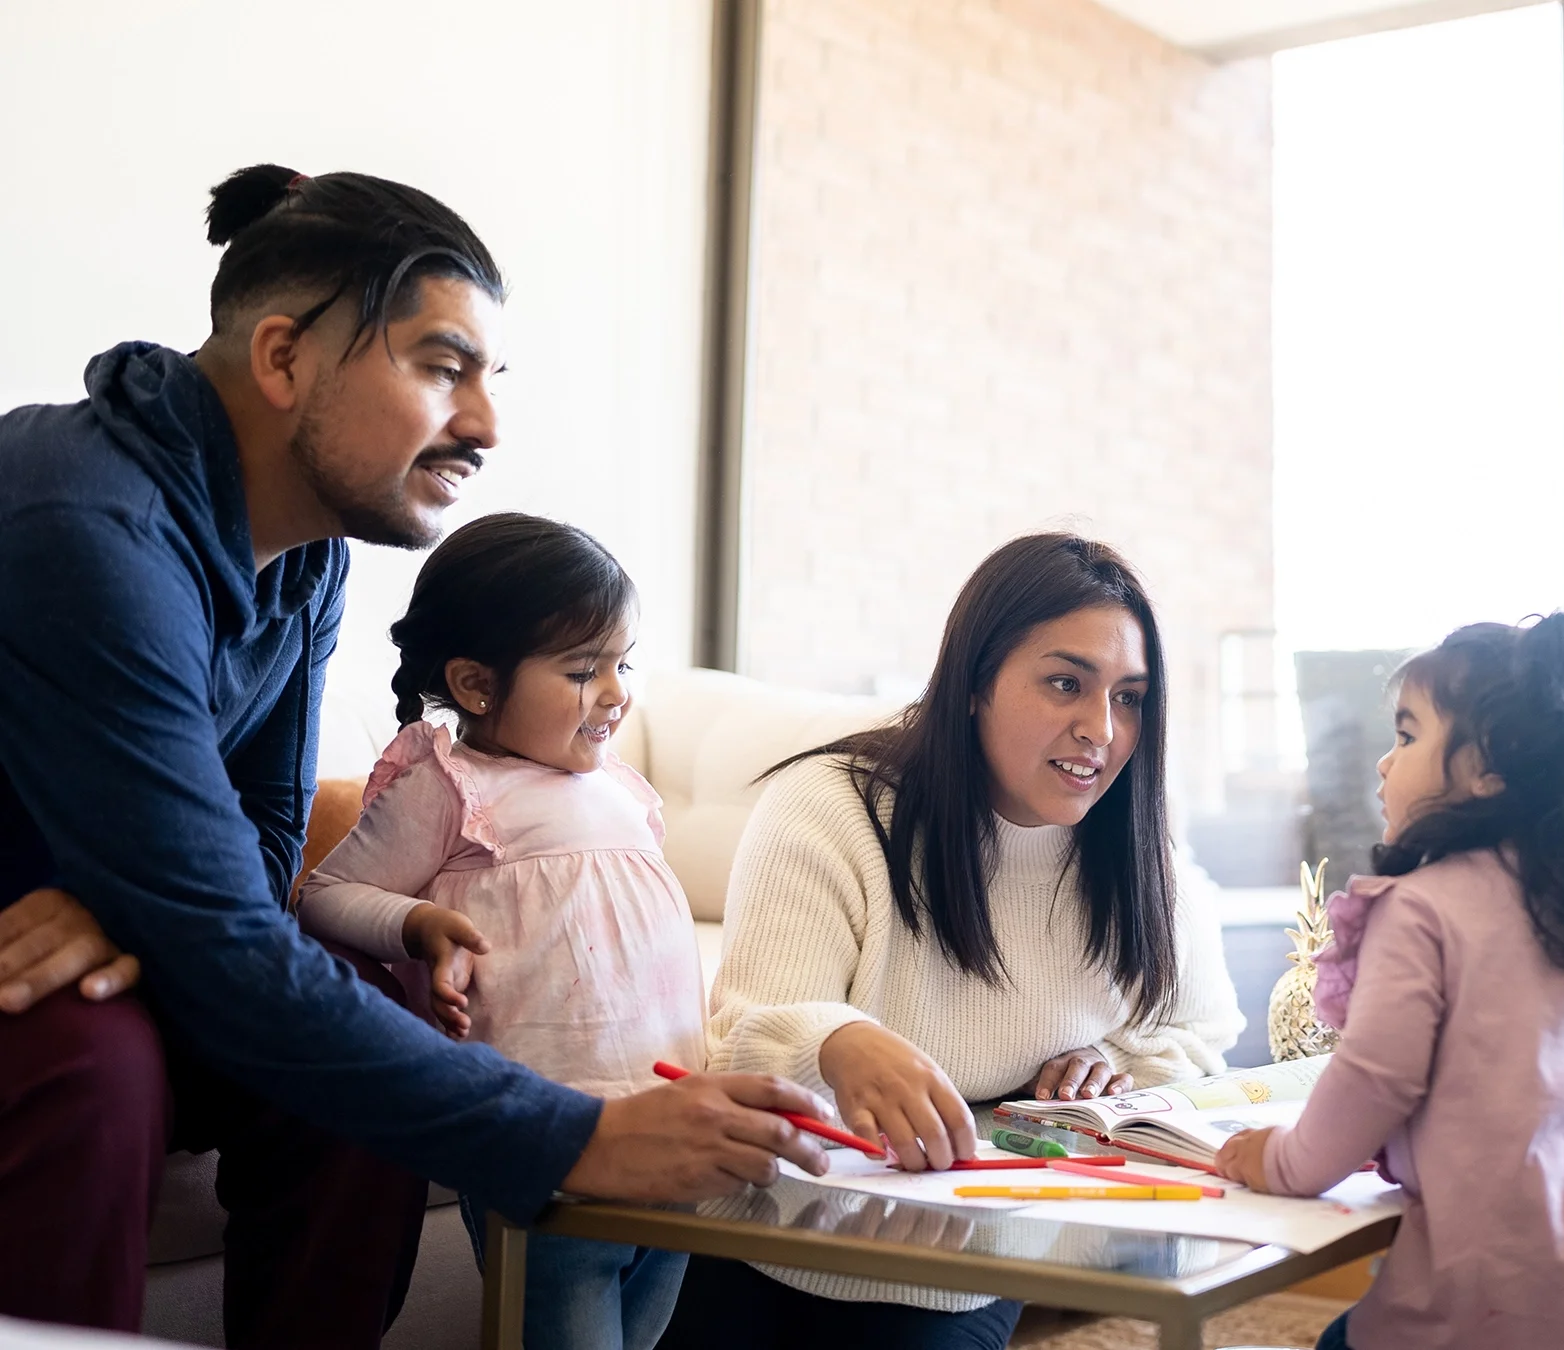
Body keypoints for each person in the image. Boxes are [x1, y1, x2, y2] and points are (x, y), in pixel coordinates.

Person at [0, 165, 831, 1344]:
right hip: (22, 970)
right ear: (285, 360)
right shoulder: (89, 524)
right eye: (444, 367)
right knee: (95, 1067)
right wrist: (574, 1133)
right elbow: (220, 921)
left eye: (490, 377)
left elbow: (263, 839)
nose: (486, 424)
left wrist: (140, 905)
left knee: (362, 1034)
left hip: (93, 930)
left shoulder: (305, 556)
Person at [661, 533, 1246, 1350]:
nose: (1101, 729)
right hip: (771, 1232)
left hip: (963, 1255)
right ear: (974, 683)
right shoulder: (832, 806)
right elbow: (745, 1038)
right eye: (1065, 683)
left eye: (1130, 697)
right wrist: (839, 1041)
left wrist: (1118, 1062)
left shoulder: (1143, 854)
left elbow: (1201, 1034)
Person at [1215, 612, 1564, 1350]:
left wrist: (1284, 1158)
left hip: (1509, 1296)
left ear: (1489, 768)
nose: (1384, 764)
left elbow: (1376, 1078)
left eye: (1408, 736)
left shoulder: (1419, 909)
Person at [296, 514, 704, 1350]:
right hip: (542, 1140)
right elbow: (325, 894)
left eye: (622, 664)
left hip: (671, 1133)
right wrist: (418, 925)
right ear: (478, 685)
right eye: (584, 671)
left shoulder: (621, 789)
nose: (618, 692)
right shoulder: (448, 783)